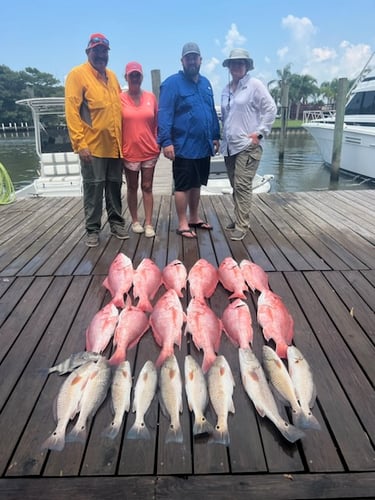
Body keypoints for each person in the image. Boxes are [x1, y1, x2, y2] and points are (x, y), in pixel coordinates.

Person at [65, 33, 128, 247]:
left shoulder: (112, 76)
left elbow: (120, 108)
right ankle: (92, 229)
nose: (101, 55)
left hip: (115, 145)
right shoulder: (77, 74)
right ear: (88, 51)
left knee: (114, 186)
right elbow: (72, 112)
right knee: (93, 188)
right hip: (92, 147)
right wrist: (80, 144)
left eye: (104, 51)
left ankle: (116, 223)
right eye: (97, 50)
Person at [158, 42, 220, 239]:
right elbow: (165, 114)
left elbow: (211, 111)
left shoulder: (206, 83)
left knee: (197, 183)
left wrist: (216, 135)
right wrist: (166, 141)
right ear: (182, 61)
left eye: (195, 57)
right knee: (183, 185)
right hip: (182, 146)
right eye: (188, 57)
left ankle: (194, 217)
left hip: (202, 145)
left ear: (200, 60)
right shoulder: (171, 84)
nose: (192, 61)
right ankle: (183, 223)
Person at [221, 48, 277, 241]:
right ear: (229, 66)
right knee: (235, 185)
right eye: (233, 63)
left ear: (246, 66)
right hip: (229, 147)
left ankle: (242, 224)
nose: (237, 66)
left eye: (240, 63)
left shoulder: (254, 85)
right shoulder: (226, 89)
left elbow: (270, 108)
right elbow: (226, 118)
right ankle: (238, 218)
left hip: (247, 146)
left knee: (243, 185)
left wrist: (260, 133)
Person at [121, 61, 160, 238]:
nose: (135, 78)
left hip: (149, 150)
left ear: (142, 77)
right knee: (132, 187)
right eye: (132, 75)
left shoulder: (151, 97)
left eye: (138, 75)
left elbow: (158, 122)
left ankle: (149, 223)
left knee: (147, 186)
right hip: (129, 150)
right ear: (126, 77)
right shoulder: (119, 98)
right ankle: (135, 220)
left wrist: (158, 143)